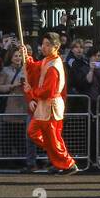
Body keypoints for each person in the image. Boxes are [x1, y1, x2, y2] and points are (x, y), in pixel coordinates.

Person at [25, 32, 78, 174]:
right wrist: (27, 58)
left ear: (56, 46)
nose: (44, 47)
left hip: (50, 106)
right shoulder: (48, 60)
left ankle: (67, 163)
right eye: (43, 44)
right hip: (45, 106)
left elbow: (48, 91)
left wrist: (32, 91)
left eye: (48, 45)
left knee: (52, 139)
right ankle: (59, 160)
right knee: (36, 133)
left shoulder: (53, 65)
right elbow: (36, 67)